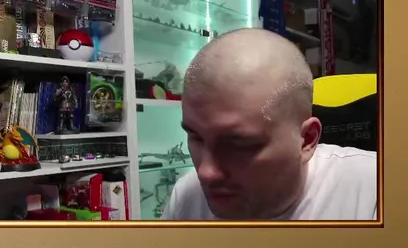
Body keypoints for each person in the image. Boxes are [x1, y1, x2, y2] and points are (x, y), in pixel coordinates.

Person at [162, 28, 378, 220]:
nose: (206, 173)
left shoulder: (377, 193)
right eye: (196, 137)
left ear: (307, 139)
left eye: (238, 144)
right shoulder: (187, 198)